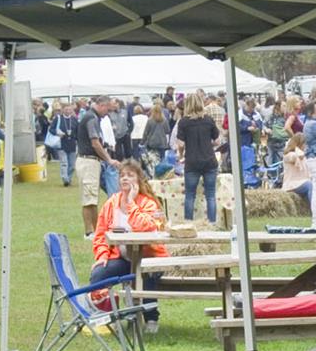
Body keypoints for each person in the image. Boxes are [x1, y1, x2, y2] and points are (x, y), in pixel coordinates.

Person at [90, 158, 167, 330]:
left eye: (130, 175)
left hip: (150, 255)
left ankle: (151, 318)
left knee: (145, 272)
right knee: (98, 274)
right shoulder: (111, 203)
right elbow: (101, 234)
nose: (124, 178)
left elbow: (146, 227)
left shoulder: (148, 203)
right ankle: (112, 317)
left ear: (138, 180)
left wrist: (132, 203)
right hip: (122, 257)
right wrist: (102, 255)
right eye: (122, 175)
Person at [174, 90, 221, 223]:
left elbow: (181, 144)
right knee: (210, 195)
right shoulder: (208, 120)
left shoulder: (183, 122)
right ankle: (212, 223)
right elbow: (217, 141)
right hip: (209, 161)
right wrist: (207, 144)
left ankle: (188, 223)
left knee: (190, 195)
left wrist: (181, 154)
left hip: (192, 161)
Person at [75, 94, 119, 233]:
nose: (108, 114)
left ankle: (95, 230)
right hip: (88, 161)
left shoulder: (93, 117)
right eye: (108, 110)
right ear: (102, 105)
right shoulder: (91, 118)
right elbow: (95, 143)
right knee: (89, 200)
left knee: (92, 197)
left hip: (91, 162)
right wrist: (109, 159)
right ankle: (90, 231)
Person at [282, 132, 316, 224]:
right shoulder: (288, 155)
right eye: (304, 144)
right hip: (292, 183)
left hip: (303, 182)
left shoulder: (303, 155)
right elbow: (295, 156)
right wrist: (300, 151)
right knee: (310, 186)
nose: (306, 146)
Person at [43, 102, 73, 184]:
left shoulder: (73, 119)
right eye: (66, 109)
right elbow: (51, 130)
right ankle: (65, 179)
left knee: (72, 164)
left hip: (72, 144)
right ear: (63, 110)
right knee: (64, 162)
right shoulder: (58, 118)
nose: (68, 111)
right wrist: (57, 133)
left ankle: (69, 178)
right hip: (61, 144)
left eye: (69, 109)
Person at [142, 98, 174, 173]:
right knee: (162, 160)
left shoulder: (150, 120)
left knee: (152, 161)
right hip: (162, 143)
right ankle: (162, 174)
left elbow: (146, 133)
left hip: (152, 144)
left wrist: (142, 143)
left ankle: (153, 173)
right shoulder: (164, 120)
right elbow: (167, 131)